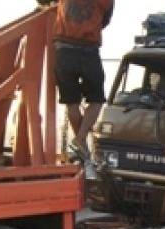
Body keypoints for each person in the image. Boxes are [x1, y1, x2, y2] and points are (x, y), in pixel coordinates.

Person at [51, 0, 114, 178]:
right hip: (88, 49)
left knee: (71, 102)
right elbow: (105, 20)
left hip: (63, 49)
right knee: (97, 99)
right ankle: (80, 140)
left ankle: (81, 144)